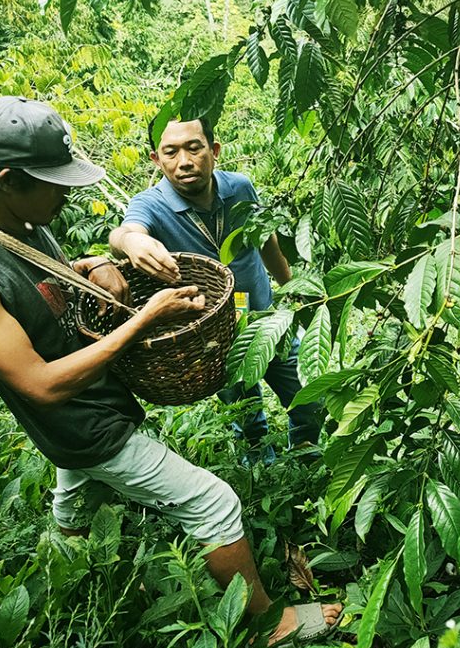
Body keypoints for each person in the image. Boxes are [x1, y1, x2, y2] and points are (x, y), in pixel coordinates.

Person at [0, 96, 341, 644]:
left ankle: (66, 561)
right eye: (53, 181)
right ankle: (269, 623)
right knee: (213, 502)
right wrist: (147, 316)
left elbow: (52, 279)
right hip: (84, 421)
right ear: (6, 179)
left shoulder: (23, 227)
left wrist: (94, 263)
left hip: (92, 407)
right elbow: (41, 385)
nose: (65, 193)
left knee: (74, 494)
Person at [108, 116, 321, 457]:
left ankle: (307, 457)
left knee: (308, 399)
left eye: (194, 148)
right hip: (217, 337)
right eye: (171, 152)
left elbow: (266, 241)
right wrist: (131, 243)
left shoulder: (240, 188)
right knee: (248, 417)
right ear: (156, 159)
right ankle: (261, 471)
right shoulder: (151, 204)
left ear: (214, 150)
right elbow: (124, 232)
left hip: (268, 320)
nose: (184, 162)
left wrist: (294, 288)